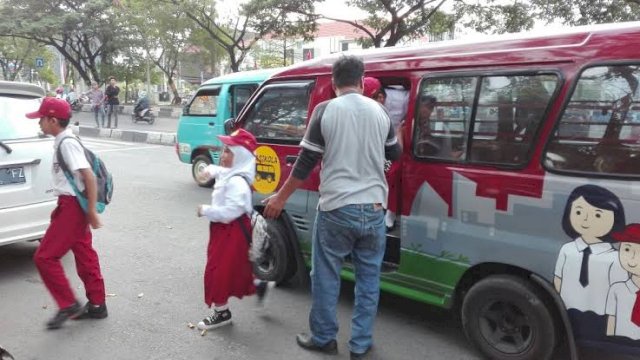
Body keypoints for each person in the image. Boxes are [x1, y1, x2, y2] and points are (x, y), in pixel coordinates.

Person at [263, 56, 401, 359]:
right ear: (363, 81)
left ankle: (324, 338)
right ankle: (360, 344)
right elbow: (395, 153)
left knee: (326, 275)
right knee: (368, 279)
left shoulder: (325, 110)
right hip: (375, 208)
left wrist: (280, 197)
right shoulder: (380, 112)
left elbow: (306, 162)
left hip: (337, 208)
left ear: (334, 81)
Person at [25, 97, 107, 330]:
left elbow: (88, 176)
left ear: (52, 120)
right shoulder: (64, 140)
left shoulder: (67, 142)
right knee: (84, 253)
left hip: (73, 207)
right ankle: (98, 304)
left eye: (41, 119)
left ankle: (68, 303)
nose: (39, 124)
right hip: (70, 205)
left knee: (44, 257)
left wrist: (90, 211)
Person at [196, 128, 273, 330]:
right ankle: (259, 286)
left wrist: (205, 210)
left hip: (231, 230)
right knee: (236, 268)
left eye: (229, 151)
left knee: (217, 271)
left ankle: (222, 313)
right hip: (226, 230)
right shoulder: (233, 172)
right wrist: (208, 170)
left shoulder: (237, 182)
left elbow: (229, 212)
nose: (223, 155)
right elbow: (218, 170)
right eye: (224, 150)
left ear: (241, 155)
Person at [363, 77, 400, 230]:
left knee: (390, 174)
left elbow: (395, 152)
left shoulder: (391, 112)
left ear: (381, 97)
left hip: (389, 153)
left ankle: (386, 212)